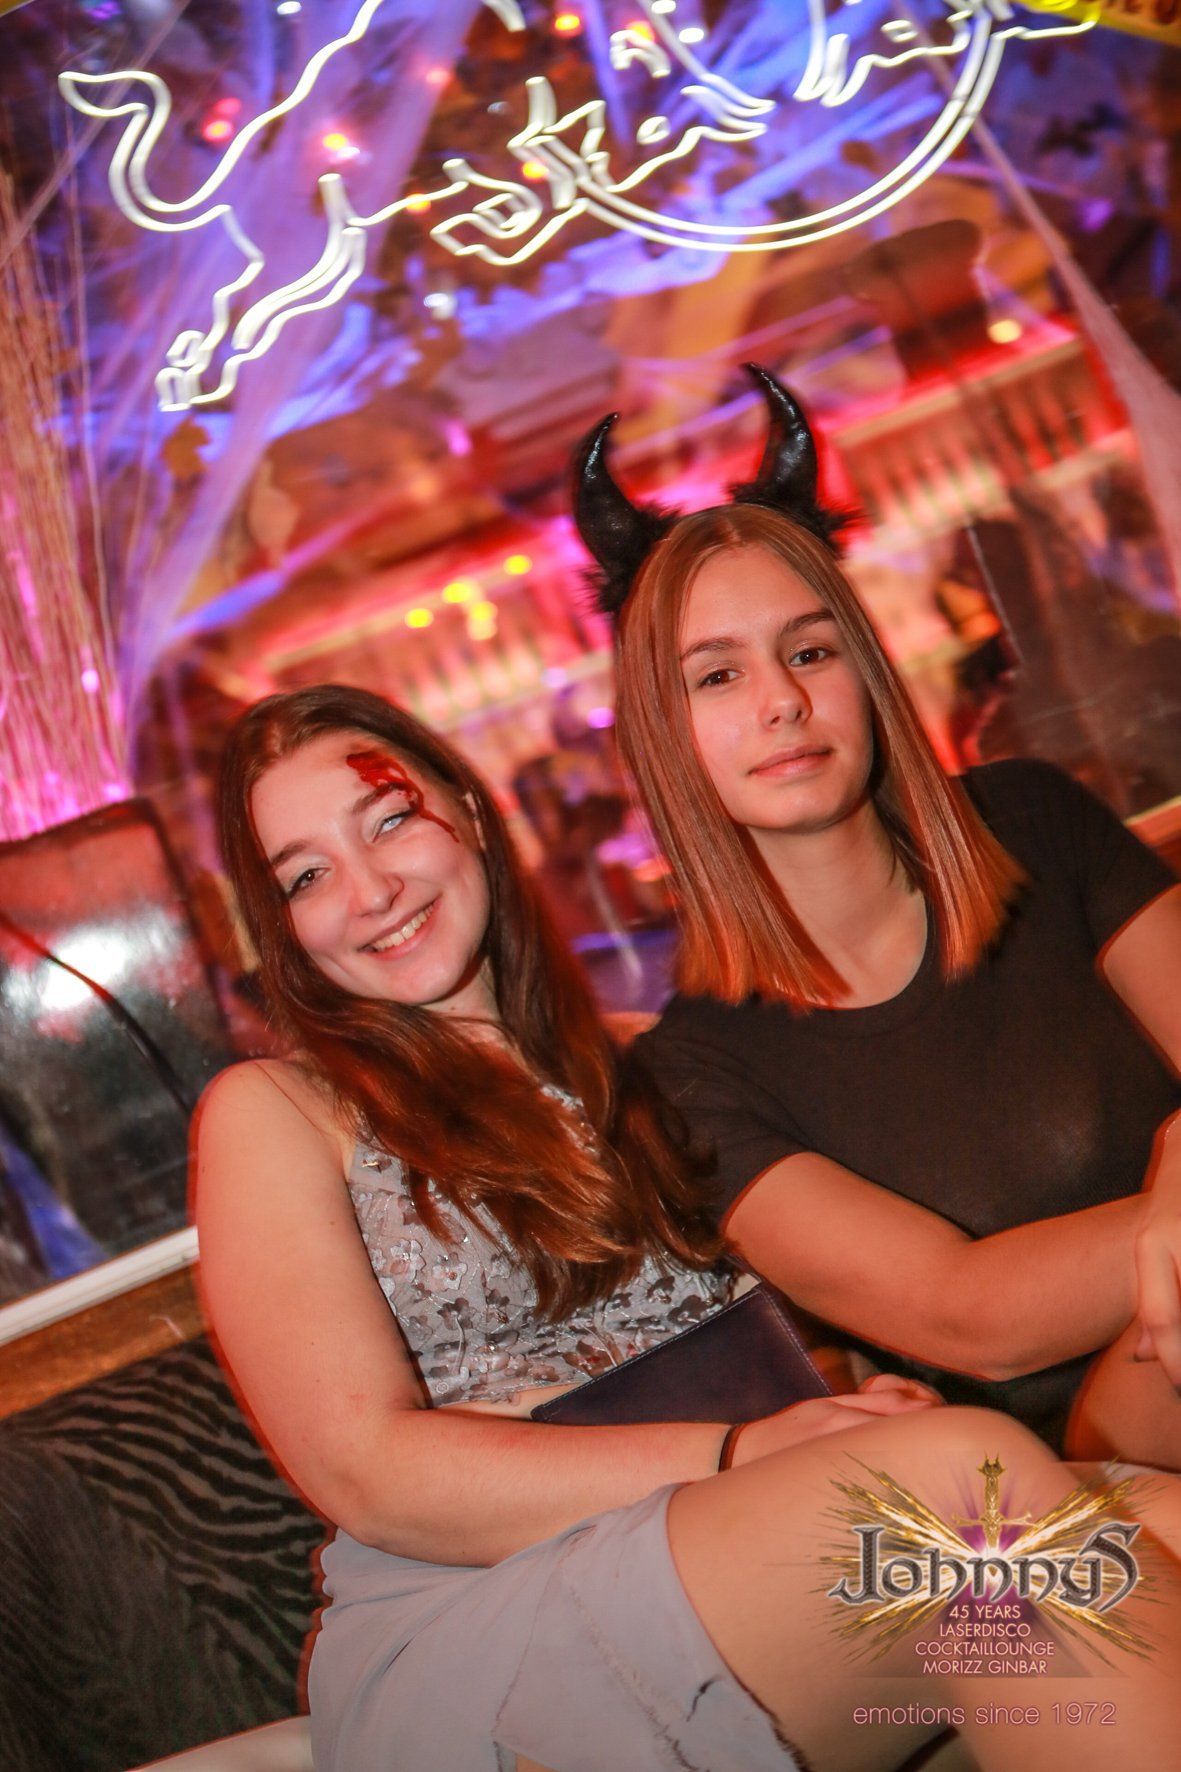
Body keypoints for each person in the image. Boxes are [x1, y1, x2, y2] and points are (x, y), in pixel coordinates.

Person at [196, 684, 1181, 1772]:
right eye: (305, 876)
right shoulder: (278, 1110)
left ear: (468, 812)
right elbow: (365, 1472)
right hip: (489, 1614)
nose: (369, 889)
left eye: (389, 820)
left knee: (1148, 1524)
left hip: (757, 1546)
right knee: (961, 1502)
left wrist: (854, 1402)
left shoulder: (660, 1058)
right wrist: (739, 1451)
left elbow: (814, 1329)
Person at [575, 365, 1181, 1470]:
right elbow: (972, 1319)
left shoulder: (1032, 822)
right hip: (1053, 1481)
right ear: (662, 734)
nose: (781, 701)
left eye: (809, 651)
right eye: (715, 677)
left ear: (864, 672)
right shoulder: (689, 1075)